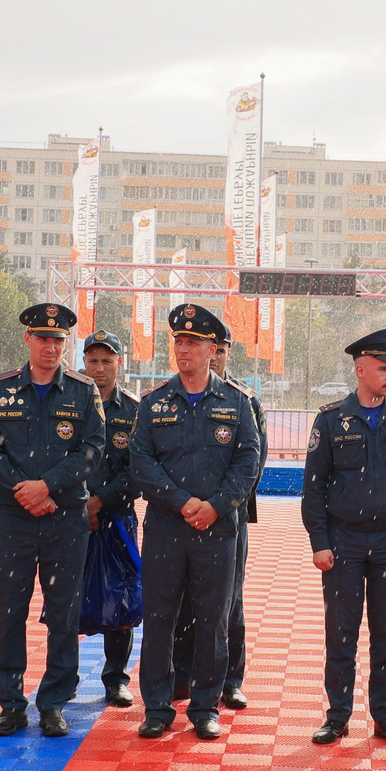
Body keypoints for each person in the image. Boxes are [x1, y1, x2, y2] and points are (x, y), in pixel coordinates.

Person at [129, 304, 263, 741]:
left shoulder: (237, 403)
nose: (183, 349)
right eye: (178, 342)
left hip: (218, 530)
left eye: (193, 343)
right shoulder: (153, 403)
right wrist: (184, 501)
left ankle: (205, 707)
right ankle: (157, 706)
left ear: (213, 350)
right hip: (168, 528)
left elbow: (248, 459)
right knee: (161, 619)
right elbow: (142, 462)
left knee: (213, 621)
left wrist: (218, 504)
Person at [303, 327, 386, 746]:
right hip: (344, 540)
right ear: (360, 370)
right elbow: (314, 487)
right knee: (340, 632)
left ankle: (384, 717)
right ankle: (337, 716)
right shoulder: (330, 419)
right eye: (383, 368)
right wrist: (319, 542)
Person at [0, 302, 99, 736]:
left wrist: (46, 486)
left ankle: (54, 703)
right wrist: (24, 490)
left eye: (59, 340)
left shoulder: (84, 391)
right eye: (43, 338)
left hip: (65, 520)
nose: (51, 346)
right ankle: (10, 703)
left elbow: (92, 449)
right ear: (28, 339)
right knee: (10, 611)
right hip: (13, 518)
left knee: (64, 614)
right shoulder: (0, 389)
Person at [179, 337, 267, 711]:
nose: (213, 358)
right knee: (181, 600)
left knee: (229, 601)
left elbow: (254, 460)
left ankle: (230, 680)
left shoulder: (244, 399)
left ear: (226, 353)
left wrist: (220, 504)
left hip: (230, 516)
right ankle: (182, 676)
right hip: (182, 516)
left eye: (221, 351)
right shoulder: (174, 395)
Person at [80, 330, 139, 709]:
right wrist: (80, 502)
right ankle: (63, 675)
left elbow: (138, 469)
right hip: (70, 517)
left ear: (120, 362)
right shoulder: (69, 401)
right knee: (66, 598)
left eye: (107, 361)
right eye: (93, 360)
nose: (99, 369)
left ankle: (116, 678)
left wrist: (99, 500)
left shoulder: (134, 410)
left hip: (117, 517)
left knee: (122, 601)